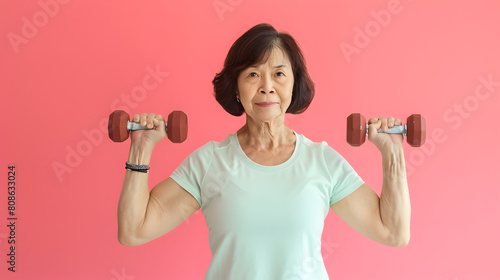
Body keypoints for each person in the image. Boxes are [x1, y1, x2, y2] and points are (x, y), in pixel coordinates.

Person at [117, 23, 410, 280]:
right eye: (253, 75)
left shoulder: (321, 161)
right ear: (236, 88)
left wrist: (393, 153)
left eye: (279, 74)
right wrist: (141, 149)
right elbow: (134, 230)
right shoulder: (209, 163)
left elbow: (393, 232)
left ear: (294, 85)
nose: (267, 87)